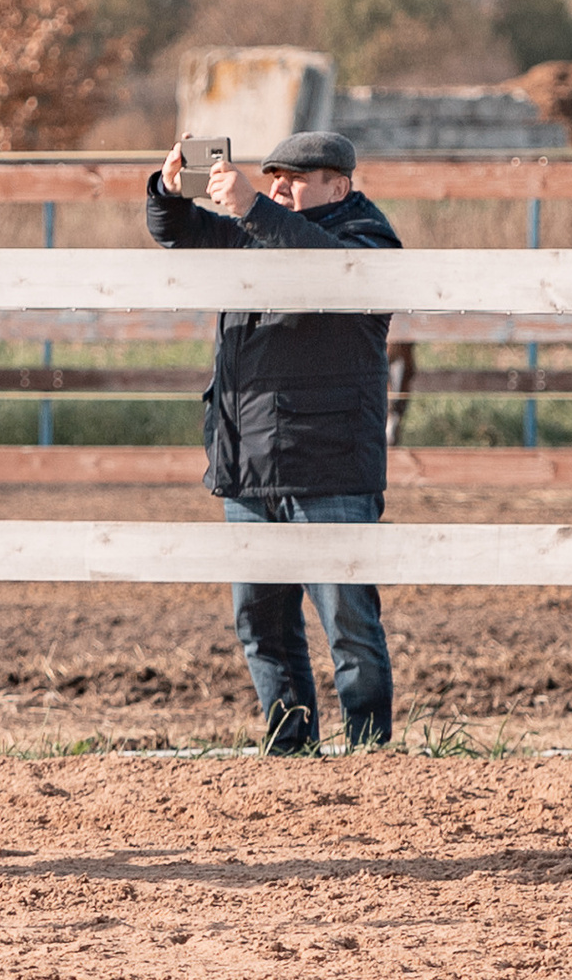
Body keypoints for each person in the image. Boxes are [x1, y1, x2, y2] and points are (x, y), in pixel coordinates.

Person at [147, 129, 402, 751]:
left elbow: (329, 275)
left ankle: (371, 748)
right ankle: (290, 745)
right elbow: (174, 231)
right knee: (260, 622)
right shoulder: (254, 232)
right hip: (248, 462)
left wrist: (254, 210)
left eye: (295, 179)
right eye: (273, 177)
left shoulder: (369, 241)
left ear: (338, 186)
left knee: (348, 623)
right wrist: (167, 188)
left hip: (330, 466)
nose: (279, 188)